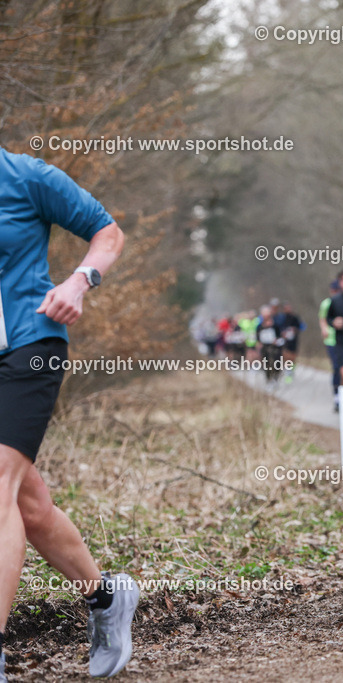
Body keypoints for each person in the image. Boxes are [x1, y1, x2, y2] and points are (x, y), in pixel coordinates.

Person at [0, 146, 139, 679]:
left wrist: (79, 281)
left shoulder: (26, 177)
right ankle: (106, 598)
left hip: (30, 345)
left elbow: (108, 233)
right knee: (29, 505)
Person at [319, 281, 343, 411]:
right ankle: (337, 397)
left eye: (337, 290)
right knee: (336, 368)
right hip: (331, 340)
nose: (335, 293)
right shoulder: (326, 304)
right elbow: (322, 318)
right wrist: (324, 329)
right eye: (334, 291)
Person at [276, 302, 304, 384]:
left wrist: (295, 330)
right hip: (285, 341)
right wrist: (282, 333)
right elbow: (278, 328)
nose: (288, 309)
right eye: (286, 308)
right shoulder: (281, 318)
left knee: (293, 356)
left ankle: (291, 369)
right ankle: (288, 371)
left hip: (294, 340)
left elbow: (301, 327)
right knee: (286, 355)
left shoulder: (295, 317)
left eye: (289, 308)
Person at [256, 304, 283, 383]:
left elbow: (280, 337)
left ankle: (275, 377)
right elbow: (257, 338)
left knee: (276, 363)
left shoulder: (275, 325)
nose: (266, 316)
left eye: (267, 314)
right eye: (264, 314)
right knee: (266, 363)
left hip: (275, 348)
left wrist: (276, 341)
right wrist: (259, 344)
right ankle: (268, 379)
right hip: (265, 348)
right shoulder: (259, 326)